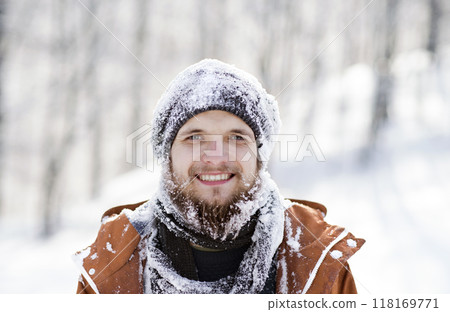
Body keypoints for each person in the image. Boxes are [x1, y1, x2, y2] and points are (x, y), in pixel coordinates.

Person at [73, 59, 365, 294]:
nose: (215, 156)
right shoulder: (112, 264)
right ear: (168, 155)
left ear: (260, 155)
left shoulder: (318, 259)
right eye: (195, 137)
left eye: (237, 137)